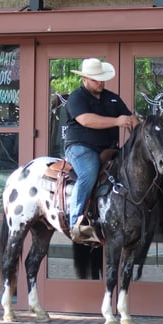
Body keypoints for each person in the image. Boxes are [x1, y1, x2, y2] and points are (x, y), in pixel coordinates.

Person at [64, 58, 139, 242]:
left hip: (109, 149)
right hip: (80, 148)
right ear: (84, 79)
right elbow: (86, 120)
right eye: (95, 78)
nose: (100, 82)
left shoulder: (112, 98)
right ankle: (77, 223)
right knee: (89, 171)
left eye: (101, 78)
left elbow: (129, 116)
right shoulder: (76, 97)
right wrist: (116, 121)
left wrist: (137, 125)